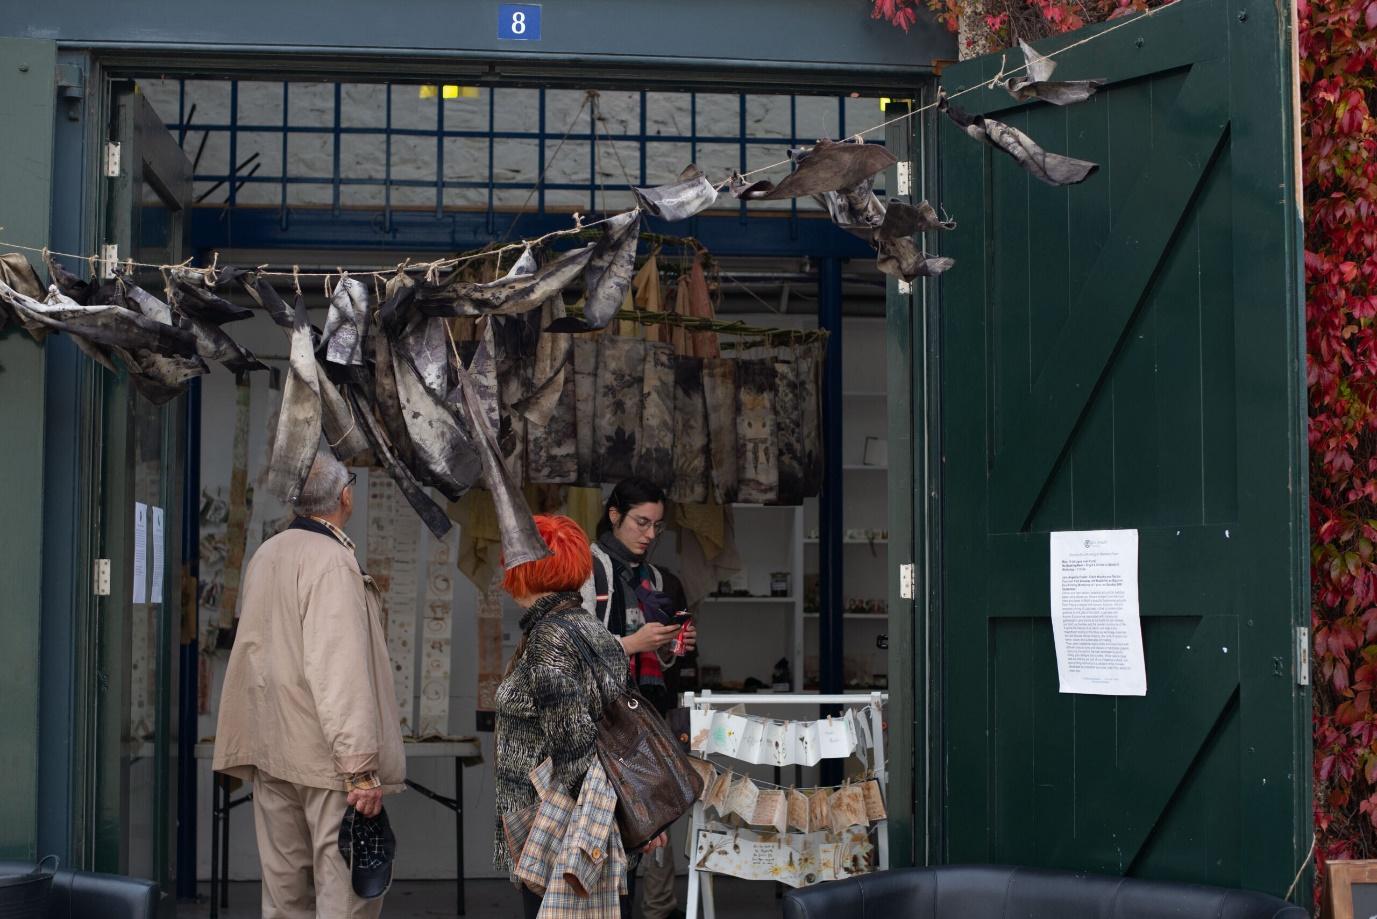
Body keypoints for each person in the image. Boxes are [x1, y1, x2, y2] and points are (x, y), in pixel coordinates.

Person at [213, 450, 405, 919]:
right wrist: (360, 767)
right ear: (345, 496)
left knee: (283, 896)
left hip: (273, 750)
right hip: (326, 761)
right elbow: (338, 670)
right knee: (344, 894)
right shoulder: (333, 561)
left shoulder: (267, 553)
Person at [495, 514, 667, 919]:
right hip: (585, 826)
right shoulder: (586, 628)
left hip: (555, 829)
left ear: (526, 569)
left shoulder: (550, 639)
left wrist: (613, 825)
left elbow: (573, 746)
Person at [580, 478, 697, 919]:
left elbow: (664, 660)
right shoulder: (587, 570)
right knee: (607, 830)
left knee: (652, 826)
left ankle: (652, 910)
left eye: (657, 526)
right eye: (641, 523)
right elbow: (572, 646)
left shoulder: (661, 581)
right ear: (614, 516)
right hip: (599, 721)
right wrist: (635, 642)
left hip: (647, 720)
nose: (649, 535)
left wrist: (670, 646)